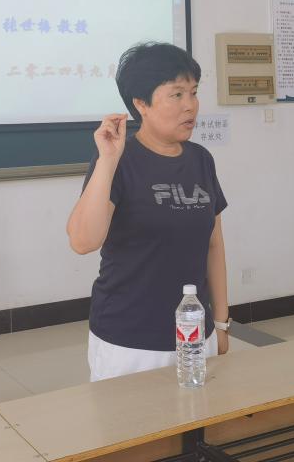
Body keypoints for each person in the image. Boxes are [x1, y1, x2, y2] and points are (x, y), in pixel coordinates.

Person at [66, 42, 230, 382]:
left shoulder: (201, 159)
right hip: (128, 340)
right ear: (141, 103)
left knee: (200, 415)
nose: (190, 105)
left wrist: (221, 323)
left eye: (193, 92)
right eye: (176, 94)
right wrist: (108, 160)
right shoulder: (119, 160)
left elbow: (214, 245)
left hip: (195, 331)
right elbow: (82, 241)